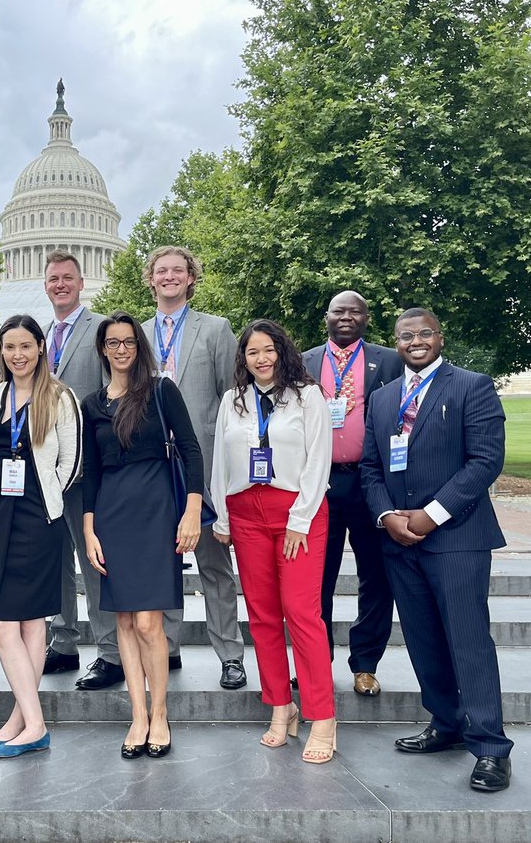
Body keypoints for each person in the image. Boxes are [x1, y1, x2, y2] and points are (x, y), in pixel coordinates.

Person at [359, 308, 514, 793]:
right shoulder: (383, 398)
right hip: (399, 541)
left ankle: (490, 747)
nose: (417, 341)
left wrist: (432, 514)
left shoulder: (472, 386)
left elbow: (485, 461)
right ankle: (446, 723)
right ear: (396, 342)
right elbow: (369, 468)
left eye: (425, 333)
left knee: (468, 642)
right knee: (423, 641)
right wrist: (388, 517)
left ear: (440, 337)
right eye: (407, 336)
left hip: (457, 540)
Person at [211, 319, 335, 764]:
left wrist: (301, 519)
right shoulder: (234, 400)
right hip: (245, 514)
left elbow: (319, 459)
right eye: (251, 352)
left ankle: (323, 716)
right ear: (242, 359)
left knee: (302, 614)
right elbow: (220, 462)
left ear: (282, 352)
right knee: (262, 616)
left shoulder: (307, 395)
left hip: (296, 515)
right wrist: (222, 515)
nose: (261, 359)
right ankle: (281, 706)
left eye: (268, 350)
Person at [82, 312, 203, 759]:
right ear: (103, 349)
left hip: (156, 509)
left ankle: (160, 714)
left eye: (128, 342)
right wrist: (89, 528)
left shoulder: (160, 390)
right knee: (125, 622)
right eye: (112, 343)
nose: (120, 349)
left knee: (150, 623)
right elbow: (91, 469)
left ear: (139, 346)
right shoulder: (92, 404)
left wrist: (191, 511)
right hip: (111, 514)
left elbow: (191, 449)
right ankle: (137, 716)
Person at [0, 315, 82, 758]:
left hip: (38, 516)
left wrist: (47, 495)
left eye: (25, 346)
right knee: (2, 621)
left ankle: (29, 723)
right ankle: (26, 719)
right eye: (9, 347)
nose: (17, 355)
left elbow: (70, 463)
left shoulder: (59, 396)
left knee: (33, 622)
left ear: (41, 347)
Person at [140, 246, 247, 690]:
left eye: (177, 271)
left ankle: (230, 654)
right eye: (161, 271)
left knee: (214, 566)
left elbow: (233, 399)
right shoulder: (137, 333)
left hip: (201, 466)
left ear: (190, 278)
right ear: (150, 279)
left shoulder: (217, 329)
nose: (169, 277)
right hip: (153, 472)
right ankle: (167, 648)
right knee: (161, 565)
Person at [301, 291, 402, 696]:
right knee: (314, 579)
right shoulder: (304, 361)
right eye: (339, 311)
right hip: (319, 483)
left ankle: (365, 663)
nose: (346, 317)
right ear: (326, 317)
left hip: (370, 481)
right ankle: (315, 661)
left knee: (375, 577)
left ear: (366, 318)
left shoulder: (390, 361)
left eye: (355, 311)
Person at [40, 251, 122, 691]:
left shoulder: (101, 331)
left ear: (81, 281)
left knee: (92, 561)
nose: (59, 285)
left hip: (88, 465)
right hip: (45, 469)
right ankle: (64, 643)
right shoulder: (40, 334)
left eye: (67, 278)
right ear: (45, 283)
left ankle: (109, 653)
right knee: (55, 560)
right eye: (53, 279)